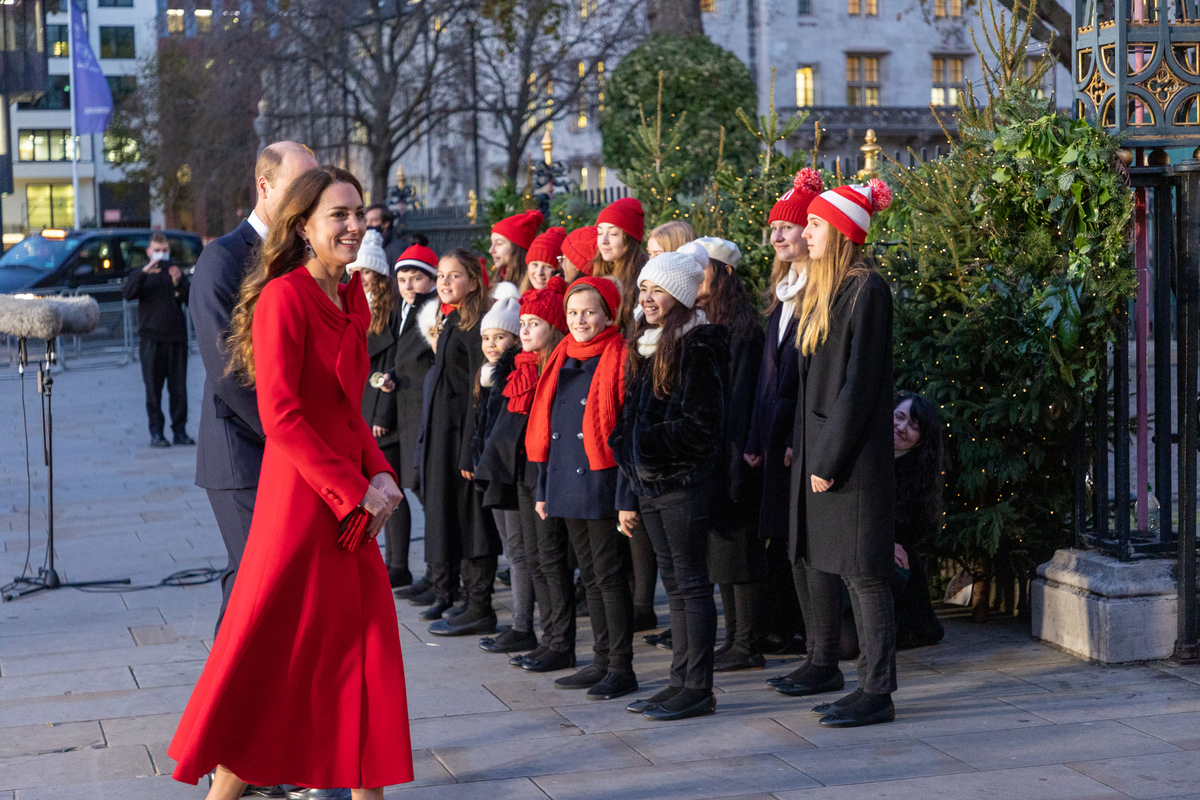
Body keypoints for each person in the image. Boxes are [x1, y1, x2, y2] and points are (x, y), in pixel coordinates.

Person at [169, 165, 411, 799]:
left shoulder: (352, 297)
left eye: (360, 212)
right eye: (340, 215)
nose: (356, 224)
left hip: (352, 505)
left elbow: (345, 408)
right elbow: (281, 415)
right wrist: (352, 487)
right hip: (301, 505)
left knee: (364, 660)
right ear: (302, 226)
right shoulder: (283, 297)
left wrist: (380, 472)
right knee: (277, 665)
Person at [778, 180, 898, 730]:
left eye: (818, 225)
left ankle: (877, 691)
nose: (806, 232)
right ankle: (853, 680)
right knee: (843, 570)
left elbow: (859, 385)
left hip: (850, 462)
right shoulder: (822, 289)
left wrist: (827, 459)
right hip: (821, 454)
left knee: (865, 574)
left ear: (843, 231)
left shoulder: (867, 288)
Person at [190, 141, 318, 636]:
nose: (309, 198)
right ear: (264, 186)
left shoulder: (303, 256)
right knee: (254, 580)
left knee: (270, 582)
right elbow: (228, 370)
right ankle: (225, 701)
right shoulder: (222, 258)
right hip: (242, 449)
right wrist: (290, 433)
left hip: (292, 445)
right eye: (298, 186)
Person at [612, 251, 729, 722]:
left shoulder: (697, 347)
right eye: (644, 290)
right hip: (650, 484)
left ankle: (698, 686)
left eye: (657, 290)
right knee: (675, 585)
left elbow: (703, 427)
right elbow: (631, 411)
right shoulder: (647, 341)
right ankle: (679, 679)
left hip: (681, 484)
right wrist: (624, 443)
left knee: (691, 584)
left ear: (679, 295)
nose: (647, 298)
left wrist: (639, 442)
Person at [529, 276, 639, 699]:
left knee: (609, 576)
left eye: (589, 312)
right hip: (565, 480)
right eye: (573, 312)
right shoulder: (560, 355)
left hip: (602, 480)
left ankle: (620, 667)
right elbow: (550, 429)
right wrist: (543, 489)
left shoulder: (620, 356)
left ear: (608, 314)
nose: (579, 320)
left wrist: (627, 498)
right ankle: (600, 660)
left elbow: (624, 429)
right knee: (589, 577)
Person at [749, 169, 824, 670]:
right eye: (773, 228)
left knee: (803, 541)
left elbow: (809, 377)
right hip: (774, 435)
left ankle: (808, 635)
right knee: (779, 536)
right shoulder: (782, 293)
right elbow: (767, 375)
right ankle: (785, 628)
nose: (777, 237)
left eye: (787, 228)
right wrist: (757, 436)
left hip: (799, 436)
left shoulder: (818, 294)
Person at [475, 278, 571, 668]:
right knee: (532, 557)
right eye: (524, 323)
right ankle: (548, 637)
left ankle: (560, 642)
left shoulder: (557, 366)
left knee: (549, 559)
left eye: (533, 323)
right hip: (520, 474)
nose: (525, 330)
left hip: (545, 475)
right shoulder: (519, 368)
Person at [691, 236, 769, 672]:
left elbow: (742, 398)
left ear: (725, 273)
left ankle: (747, 643)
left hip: (736, 451)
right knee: (721, 551)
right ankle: (733, 637)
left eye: (704, 268)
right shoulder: (705, 319)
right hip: (714, 449)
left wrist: (738, 457)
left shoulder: (743, 326)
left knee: (740, 551)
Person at [417, 249, 500, 635]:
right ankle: (459, 595)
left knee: (472, 519)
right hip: (443, 434)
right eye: (440, 275)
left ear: (473, 281)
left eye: (454, 276)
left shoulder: (475, 324)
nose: (444, 282)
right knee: (449, 514)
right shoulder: (450, 319)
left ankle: (480, 604)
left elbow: (475, 392)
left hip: (462, 435)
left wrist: (470, 447)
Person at [472, 282, 539, 654]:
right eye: (487, 337)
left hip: (510, 472)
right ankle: (520, 623)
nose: (492, 344)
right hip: (494, 468)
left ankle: (522, 624)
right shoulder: (488, 374)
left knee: (519, 551)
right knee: (512, 550)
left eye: (501, 336)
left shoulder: (515, 373)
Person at [382, 236, 439, 595]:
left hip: (421, 413)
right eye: (402, 279)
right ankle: (429, 573)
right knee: (414, 489)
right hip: (404, 412)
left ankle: (439, 574)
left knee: (427, 494)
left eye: (416, 278)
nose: (408, 286)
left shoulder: (430, 310)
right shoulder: (403, 310)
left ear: (431, 280)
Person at [123, 232, 193, 448]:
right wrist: (144, 272)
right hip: (151, 340)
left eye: (164, 250)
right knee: (153, 390)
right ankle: (156, 432)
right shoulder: (142, 274)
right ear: (149, 252)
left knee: (178, 389)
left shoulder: (176, 272)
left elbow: (191, 298)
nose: (161, 254)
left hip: (176, 339)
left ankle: (179, 431)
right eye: (156, 250)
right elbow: (128, 293)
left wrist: (178, 282)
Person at [891, 393, 946, 648]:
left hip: (895, 558)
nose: (902, 428)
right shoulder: (865, 455)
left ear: (922, 440)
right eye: (899, 417)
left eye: (914, 427)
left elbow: (913, 530)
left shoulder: (919, 475)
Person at [592, 198, 647, 332]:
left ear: (630, 239)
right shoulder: (600, 271)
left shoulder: (643, 282)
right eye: (600, 233)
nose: (603, 241)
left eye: (613, 233)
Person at [490, 210, 543, 285]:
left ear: (517, 248)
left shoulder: (534, 287)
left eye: (499, 243)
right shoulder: (500, 280)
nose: (491, 250)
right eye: (492, 243)